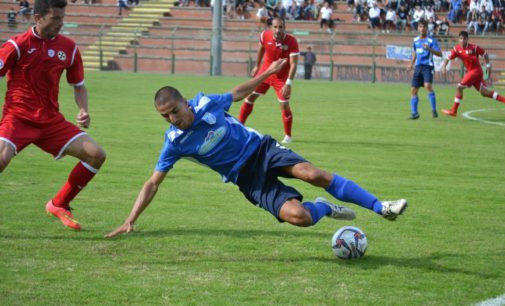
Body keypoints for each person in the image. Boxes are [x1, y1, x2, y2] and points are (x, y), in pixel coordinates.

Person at [105, 59, 408, 239]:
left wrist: (268, 73)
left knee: (311, 173)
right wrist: (131, 219)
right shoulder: (175, 142)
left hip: (261, 149)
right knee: (299, 217)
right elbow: (152, 182)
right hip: (246, 178)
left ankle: (381, 207)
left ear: (185, 102)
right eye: (166, 116)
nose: (173, 119)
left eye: (174, 111)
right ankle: (325, 208)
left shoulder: (206, 103)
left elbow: (235, 93)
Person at [0, 0, 106, 230]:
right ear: (38, 18)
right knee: (1, 159)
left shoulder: (69, 48)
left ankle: (59, 204)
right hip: (18, 118)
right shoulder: (16, 45)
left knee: (96, 155)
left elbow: (78, 85)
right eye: (55, 18)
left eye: (62, 18)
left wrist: (83, 109)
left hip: (50, 122)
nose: (60, 23)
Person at [237, 17, 299, 144]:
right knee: (249, 97)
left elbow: (293, 64)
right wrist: (257, 65)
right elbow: (261, 48)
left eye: (281, 27)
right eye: (275, 27)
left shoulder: (291, 41)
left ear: (284, 28)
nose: (278, 30)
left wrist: (288, 83)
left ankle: (288, 136)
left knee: (284, 105)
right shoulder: (264, 35)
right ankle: (239, 126)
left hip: (281, 77)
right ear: (271, 28)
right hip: (265, 73)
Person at [440, 31, 505, 117]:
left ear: (467, 39)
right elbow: (447, 58)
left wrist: (488, 66)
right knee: (484, 93)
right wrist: (444, 66)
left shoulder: (474, 48)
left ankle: (454, 110)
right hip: (473, 73)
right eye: (461, 38)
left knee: (459, 87)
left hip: (476, 71)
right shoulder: (457, 49)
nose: (462, 40)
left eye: (464, 39)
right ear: (459, 39)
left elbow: (485, 54)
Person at [406, 20, 442, 119]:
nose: (422, 29)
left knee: (427, 85)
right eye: (420, 27)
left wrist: (429, 49)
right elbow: (415, 52)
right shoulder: (415, 40)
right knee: (413, 90)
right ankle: (415, 113)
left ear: (427, 28)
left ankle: (434, 110)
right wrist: (411, 64)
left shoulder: (431, 41)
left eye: (424, 27)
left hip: (427, 66)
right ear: (418, 28)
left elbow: (440, 54)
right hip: (418, 67)